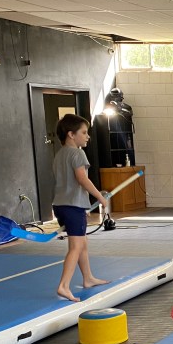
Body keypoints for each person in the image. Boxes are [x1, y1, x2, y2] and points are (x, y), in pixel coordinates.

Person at [50, 114, 110, 302]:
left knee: (82, 242)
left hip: (60, 205)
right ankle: (64, 286)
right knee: (76, 246)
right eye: (83, 133)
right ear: (71, 134)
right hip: (73, 206)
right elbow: (82, 179)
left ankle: (88, 278)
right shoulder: (77, 153)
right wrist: (100, 197)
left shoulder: (59, 155)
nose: (87, 136)